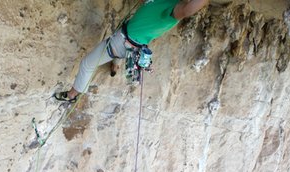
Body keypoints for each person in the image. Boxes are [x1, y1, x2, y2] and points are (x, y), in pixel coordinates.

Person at [54, 0, 209, 102]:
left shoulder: (174, 10)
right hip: (128, 37)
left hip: (122, 42)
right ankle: (115, 65)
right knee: (115, 52)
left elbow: (187, 10)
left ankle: (73, 95)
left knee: (87, 64)